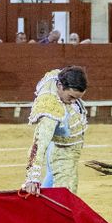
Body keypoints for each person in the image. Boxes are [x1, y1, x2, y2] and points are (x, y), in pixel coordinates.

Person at [21, 66, 89, 195]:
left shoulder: (58, 78)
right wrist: (32, 178)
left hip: (59, 143)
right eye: (71, 97)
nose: (73, 102)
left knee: (52, 177)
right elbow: (39, 144)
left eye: (77, 98)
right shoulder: (50, 109)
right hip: (62, 149)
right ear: (60, 86)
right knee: (65, 195)